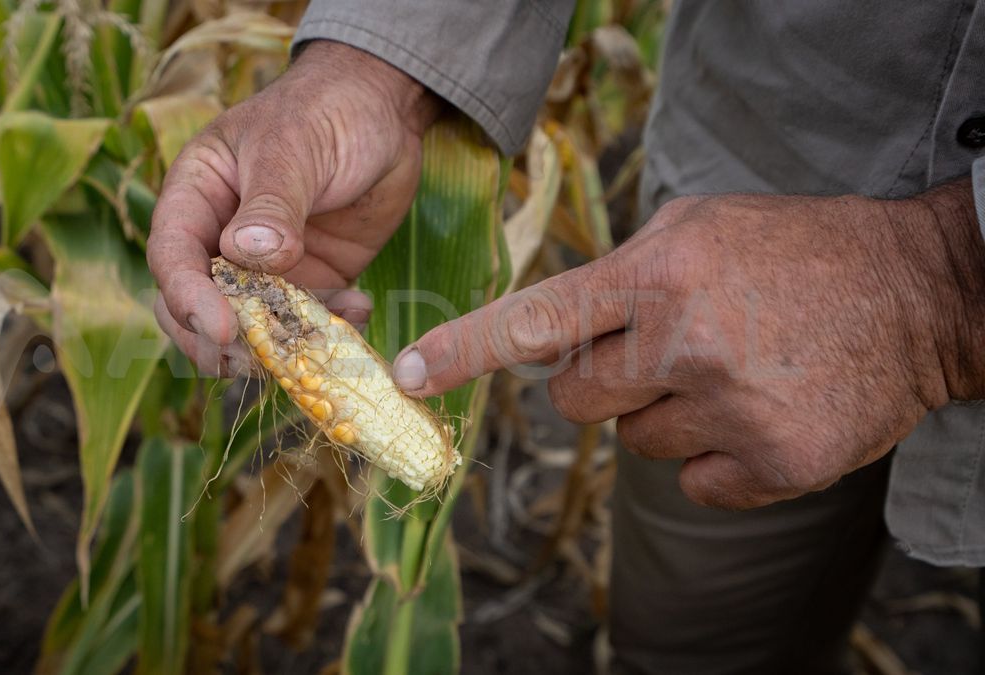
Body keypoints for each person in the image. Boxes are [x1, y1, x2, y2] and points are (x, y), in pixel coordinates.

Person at [147, 1, 985, 672]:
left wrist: (943, 285)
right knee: (695, 632)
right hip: (752, 180)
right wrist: (382, 59)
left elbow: (941, 290)